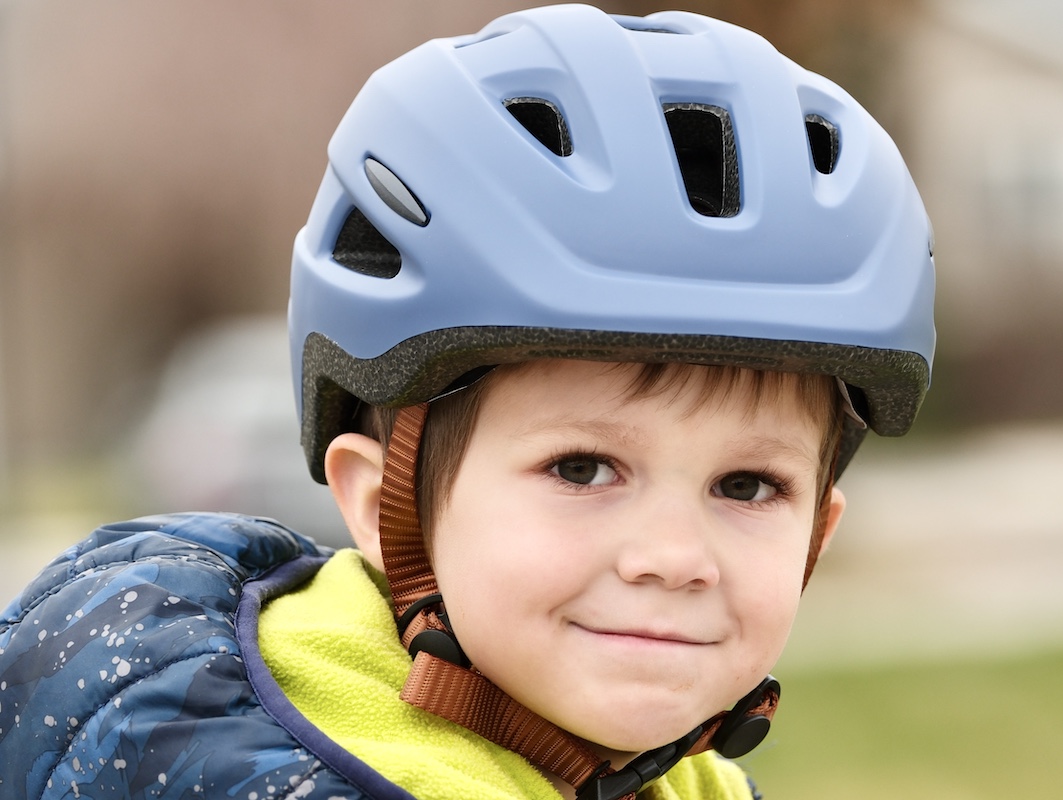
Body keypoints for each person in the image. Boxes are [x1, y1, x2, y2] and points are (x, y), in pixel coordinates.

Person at [0, 5, 935, 799]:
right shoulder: (298, 770)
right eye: (583, 468)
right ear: (379, 503)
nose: (672, 559)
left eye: (747, 486)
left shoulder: (670, 768)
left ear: (821, 527)